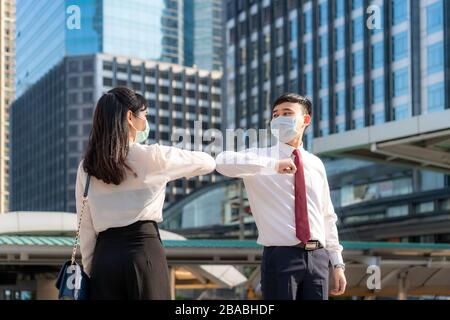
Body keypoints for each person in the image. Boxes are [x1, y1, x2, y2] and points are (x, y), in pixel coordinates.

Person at [75, 87, 216, 300]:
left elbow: (85, 225)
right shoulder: (152, 157)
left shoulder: (87, 166)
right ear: (130, 117)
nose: (146, 123)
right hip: (143, 250)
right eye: (145, 116)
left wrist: (91, 269)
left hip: (104, 258)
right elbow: (207, 162)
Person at [215, 93, 346, 300]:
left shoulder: (316, 164)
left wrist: (337, 263)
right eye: (275, 115)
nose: (279, 119)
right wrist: (273, 166)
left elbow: (327, 216)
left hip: (318, 258)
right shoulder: (261, 157)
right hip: (281, 256)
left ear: (306, 120)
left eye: (287, 113)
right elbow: (222, 162)